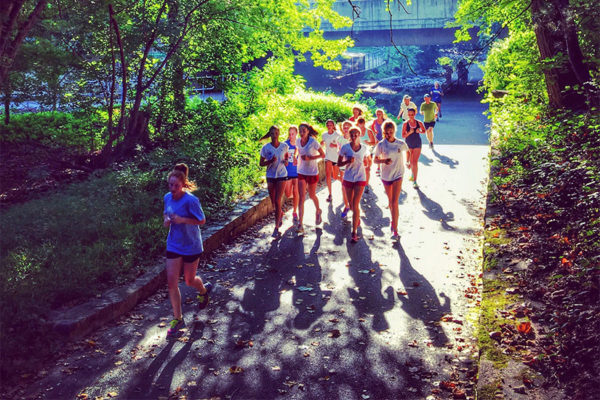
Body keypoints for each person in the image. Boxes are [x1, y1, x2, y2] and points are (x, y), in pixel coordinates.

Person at [163, 163, 212, 337]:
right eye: (171, 185)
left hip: (191, 245)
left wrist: (183, 219)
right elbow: (165, 218)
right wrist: (168, 221)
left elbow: (201, 220)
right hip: (174, 244)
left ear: (183, 184)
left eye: (176, 185)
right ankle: (178, 319)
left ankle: (203, 291)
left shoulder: (191, 200)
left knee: (189, 280)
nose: (173, 188)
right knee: (171, 282)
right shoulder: (167, 197)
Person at [373, 121, 409, 241]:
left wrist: (407, 162)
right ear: (384, 132)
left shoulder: (400, 143)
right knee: (390, 202)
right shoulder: (381, 145)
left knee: (394, 202)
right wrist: (383, 161)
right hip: (386, 176)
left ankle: (395, 230)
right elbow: (375, 160)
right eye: (387, 132)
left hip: (398, 174)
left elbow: (407, 151)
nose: (389, 134)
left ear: (394, 131)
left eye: (391, 132)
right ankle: (393, 221)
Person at [338, 127, 370, 243]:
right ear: (349, 136)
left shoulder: (364, 148)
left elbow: (367, 161)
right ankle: (357, 216)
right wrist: (347, 161)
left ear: (359, 135)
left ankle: (354, 231)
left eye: (356, 135)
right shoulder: (345, 148)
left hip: (360, 178)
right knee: (351, 205)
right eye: (352, 135)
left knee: (355, 203)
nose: (354, 137)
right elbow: (339, 163)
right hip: (348, 177)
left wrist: (366, 164)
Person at [259, 125, 289, 237]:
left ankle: (276, 228)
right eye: (272, 134)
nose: (274, 136)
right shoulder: (266, 148)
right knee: (273, 202)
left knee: (277, 200)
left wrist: (286, 162)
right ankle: (280, 213)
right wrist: (270, 161)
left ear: (279, 133)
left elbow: (286, 159)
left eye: (276, 133)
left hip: (282, 175)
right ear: (270, 135)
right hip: (271, 175)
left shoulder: (284, 146)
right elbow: (261, 163)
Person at [296, 123, 325, 235]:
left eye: (304, 130)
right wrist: (295, 158)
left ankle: (318, 210)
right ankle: (300, 223)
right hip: (301, 171)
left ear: (308, 131)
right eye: (300, 130)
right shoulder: (298, 141)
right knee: (301, 197)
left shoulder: (313, 142)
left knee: (312, 195)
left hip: (312, 172)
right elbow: (298, 151)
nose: (302, 132)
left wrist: (310, 158)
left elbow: (322, 155)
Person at [402, 108, 426, 188]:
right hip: (408, 143)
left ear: (415, 114)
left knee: (414, 162)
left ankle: (415, 181)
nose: (410, 116)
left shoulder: (419, 123)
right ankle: (412, 173)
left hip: (417, 143)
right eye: (409, 115)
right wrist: (409, 132)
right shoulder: (405, 124)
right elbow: (403, 135)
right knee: (410, 161)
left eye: (412, 114)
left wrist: (420, 131)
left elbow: (424, 131)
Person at [320, 119, 342, 203]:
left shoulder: (337, 135)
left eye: (331, 125)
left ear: (333, 126)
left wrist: (335, 145)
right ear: (326, 126)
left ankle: (346, 183)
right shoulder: (324, 135)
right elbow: (322, 144)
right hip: (328, 157)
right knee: (328, 175)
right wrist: (321, 144)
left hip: (336, 158)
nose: (329, 127)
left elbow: (341, 145)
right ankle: (330, 194)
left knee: (335, 177)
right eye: (328, 125)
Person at [284, 126, 300, 224]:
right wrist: (285, 160)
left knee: (296, 192)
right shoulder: (285, 145)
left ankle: (294, 211)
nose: (291, 136)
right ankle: (294, 204)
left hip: (297, 172)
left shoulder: (300, 144)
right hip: (288, 172)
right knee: (288, 193)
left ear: (296, 134)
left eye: (293, 134)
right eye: (289, 134)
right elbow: (282, 158)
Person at [356, 116, 375, 192]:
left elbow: (374, 142)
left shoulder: (369, 131)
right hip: (358, 153)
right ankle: (361, 183)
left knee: (367, 169)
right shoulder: (355, 132)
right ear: (357, 123)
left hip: (367, 152)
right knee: (359, 169)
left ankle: (366, 185)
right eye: (359, 123)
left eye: (362, 122)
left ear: (364, 123)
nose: (361, 124)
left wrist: (368, 143)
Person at [338, 121, 352, 218]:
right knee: (343, 186)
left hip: (353, 166)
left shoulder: (354, 138)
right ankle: (346, 206)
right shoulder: (339, 139)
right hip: (343, 165)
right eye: (344, 126)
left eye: (348, 126)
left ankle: (354, 207)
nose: (346, 128)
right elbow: (339, 152)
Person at [369, 109, 387, 176]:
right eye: (377, 114)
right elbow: (371, 127)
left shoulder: (385, 121)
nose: (378, 115)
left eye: (380, 114)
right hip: (378, 138)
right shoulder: (375, 121)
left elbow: (388, 128)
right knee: (378, 153)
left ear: (382, 114)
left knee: (384, 153)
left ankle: (384, 167)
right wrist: (374, 132)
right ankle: (378, 168)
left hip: (385, 138)